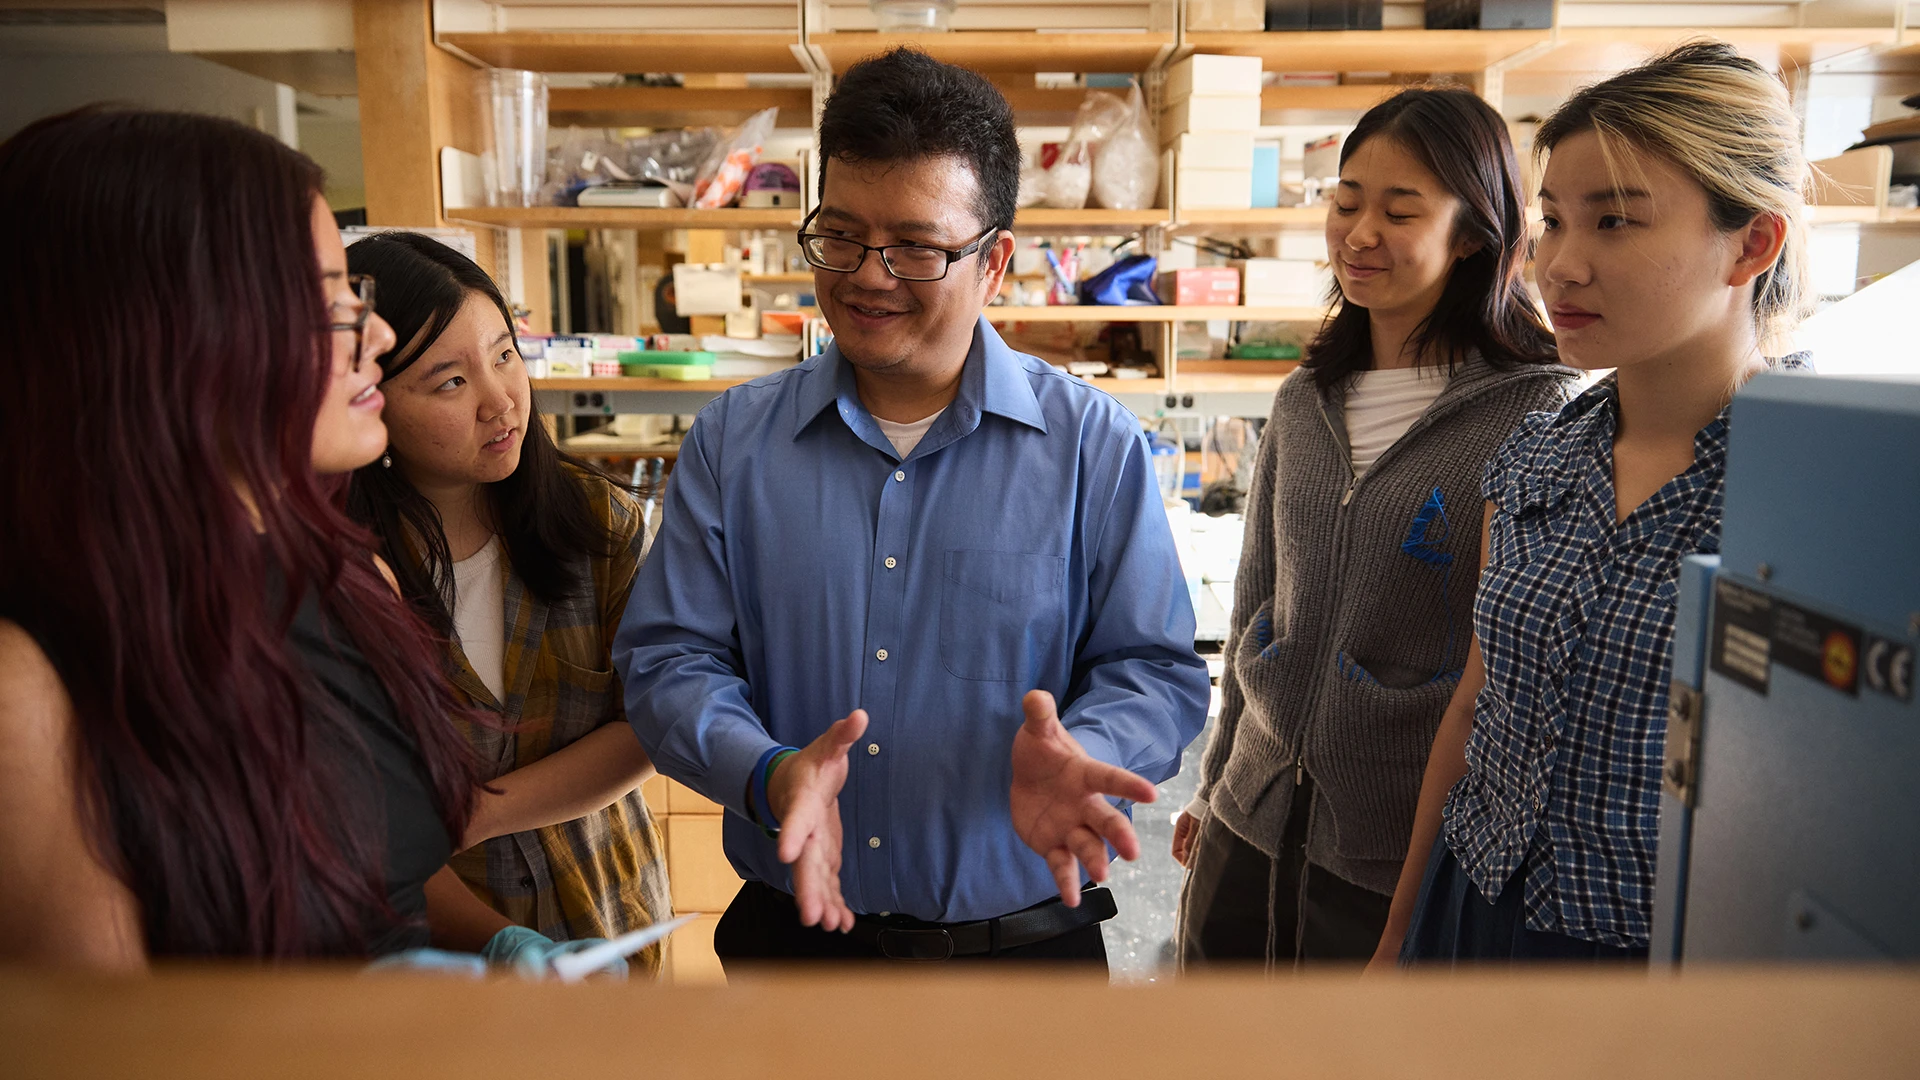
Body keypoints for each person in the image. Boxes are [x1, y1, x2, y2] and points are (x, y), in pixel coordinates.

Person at [614, 48, 1210, 966]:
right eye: (842, 236)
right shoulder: (735, 442)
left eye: (917, 248)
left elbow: (1155, 668)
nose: (868, 276)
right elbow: (668, 658)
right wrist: (769, 773)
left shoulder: (1092, 446)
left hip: (1022, 962)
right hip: (797, 948)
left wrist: (1086, 747)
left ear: (995, 261)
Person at [0, 108, 616, 976]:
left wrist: (500, 954)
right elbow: (108, 1042)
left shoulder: (345, 575)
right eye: (328, 302)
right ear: (173, 333)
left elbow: (381, 877)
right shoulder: (30, 686)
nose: (377, 337)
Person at [1371, 42, 1813, 966]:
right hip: (1472, 908)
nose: (1559, 266)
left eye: (1614, 223)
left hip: (1666, 960)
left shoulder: (1818, 491)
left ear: (1753, 243)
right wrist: (1399, 933)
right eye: (1553, 222)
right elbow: (1474, 707)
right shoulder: (1539, 451)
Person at [1173, 89, 1577, 969]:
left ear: (1474, 234)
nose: (1359, 234)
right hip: (1250, 816)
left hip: (1392, 855)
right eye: (1347, 202)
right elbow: (1254, 610)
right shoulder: (1303, 399)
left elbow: (1507, 680)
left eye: (1401, 211)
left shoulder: (1537, 415)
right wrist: (1210, 792)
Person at [345, 232, 672, 973]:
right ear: (371, 399)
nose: (501, 400)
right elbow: (365, 818)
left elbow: (653, 723)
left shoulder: (600, 527)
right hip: (445, 950)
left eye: (503, 354)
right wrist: (492, 942)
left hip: (609, 912)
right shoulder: (346, 576)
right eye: (449, 381)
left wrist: (478, 810)